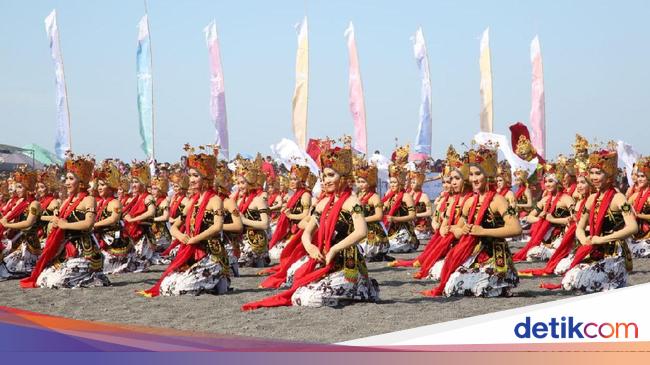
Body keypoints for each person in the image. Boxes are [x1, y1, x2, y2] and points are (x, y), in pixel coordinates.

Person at [242, 142, 379, 309]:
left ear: (343, 177)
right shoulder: (323, 204)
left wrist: (335, 249)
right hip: (324, 259)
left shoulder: (352, 202)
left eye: (330, 175)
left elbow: (361, 231)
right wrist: (310, 248)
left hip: (347, 264)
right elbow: (306, 232)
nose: (325, 180)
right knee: (297, 287)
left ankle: (360, 290)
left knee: (306, 298)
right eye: (323, 176)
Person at [422, 145, 522, 297]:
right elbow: (458, 231)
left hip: (495, 256)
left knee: (477, 289)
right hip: (475, 254)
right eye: (472, 174)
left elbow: (516, 229)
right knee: (451, 286)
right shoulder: (470, 203)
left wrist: (483, 231)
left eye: (478, 174)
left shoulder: (498, 200)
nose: (474, 179)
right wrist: (458, 230)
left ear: (488, 175)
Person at [139, 145, 230, 297]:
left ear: (206, 177)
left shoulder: (215, 200)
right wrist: (181, 237)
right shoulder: (192, 202)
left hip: (210, 253)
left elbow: (217, 226)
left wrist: (194, 239)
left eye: (195, 175)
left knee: (180, 288)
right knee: (167, 285)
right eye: (190, 175)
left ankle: (217, 280)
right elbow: (174, 226)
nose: (191, 180)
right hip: (191, 250)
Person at [544, 146, 637, 292]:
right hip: (594, 248)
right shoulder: (591, 199)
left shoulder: (619, 198)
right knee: (569, 280)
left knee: (586, 284)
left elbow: (633, 227)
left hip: (614, 251)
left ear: (609, 175)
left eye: (598, 173)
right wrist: (583, 240)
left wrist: (602, 239)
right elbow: (580, 227)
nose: (593, 177)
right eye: (592, 173)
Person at [20, 154, 110, 289]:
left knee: (57, 282)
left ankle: (92, 276)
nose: (67, 182)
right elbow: (58, 220)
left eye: (71, 179)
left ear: (80, 182)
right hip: (65, 247)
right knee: (43, 279)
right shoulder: (66, 201)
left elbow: (89, 224)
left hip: (82, 249)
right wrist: (55, 220)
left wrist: (65, 224)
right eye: (66, 178)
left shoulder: (89, 200)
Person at [512, 163, 574, 262]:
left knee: (534, 254)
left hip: (561, 236)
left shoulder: (566, 199)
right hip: (545, 237)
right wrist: (540, 218)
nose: (547, 184)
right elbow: (529, 217)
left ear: (558, 182)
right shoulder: (545, 199)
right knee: (531, 254)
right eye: (545, 182)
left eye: (550, 181)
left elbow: (575, 218)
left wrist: (553, 220)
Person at [0, 166, 41, 280]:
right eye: (16, 187)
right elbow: (8, 217)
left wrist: (7, 225)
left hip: (29, 244)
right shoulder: (21, 202)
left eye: (20, 187)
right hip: (17, 240)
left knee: (6, 267)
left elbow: (28, 223)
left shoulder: (34, 204)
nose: (16, 190)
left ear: (28, 188)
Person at [268, 165, 311, 261]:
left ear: (301, 180)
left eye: (295, 179)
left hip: (300, 230)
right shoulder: (294, 194)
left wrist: (290, 215)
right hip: (291, 229)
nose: (291, 181)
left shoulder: (305, 195)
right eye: (291, 179)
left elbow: (306, 214)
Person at [235, 154, 270, 267]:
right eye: (238, 183)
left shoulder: (259, 200)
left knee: (241, 263)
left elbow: (265, 224)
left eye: (242, 183)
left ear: (250, 182)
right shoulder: (239, 200)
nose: (240, 186)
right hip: (242, 239)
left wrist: (244, 220)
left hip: (256, 241)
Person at [122, 162, 157, 272]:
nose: (133, 185)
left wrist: (133, 219)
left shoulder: (148, 197)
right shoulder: (136, 198)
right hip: (133, 233)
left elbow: (151, 212)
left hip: (143, 235)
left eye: (136, 182)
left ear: (143, 183)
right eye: (132, 182)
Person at [384, 145, 418, 253]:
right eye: (391, 182)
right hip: (390, 229)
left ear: (400, 183)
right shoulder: (388, 193)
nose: (392, 184)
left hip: (404, 230)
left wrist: (395, 219)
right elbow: (384, 209)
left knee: (393, 247)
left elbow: (413, 216)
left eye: (394, 182)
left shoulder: (406, 196)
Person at [355, 163, 390, 262]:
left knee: (365, 250)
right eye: (359, 181)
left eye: (363, 182)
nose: (360, 184)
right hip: (359, 228)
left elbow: (379, 216)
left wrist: (362, 220)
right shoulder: (357, 195)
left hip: (372, 230)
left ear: (370, 182)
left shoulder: (375, 197)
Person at [626, 156, 650, 257]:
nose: (639, 179)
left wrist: (638, 215)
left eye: (642, 176)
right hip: (636, 235)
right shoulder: (635, 195)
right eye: (638, 176)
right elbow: (625, 206)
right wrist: (626, 212)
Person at [410, 167, 433, 241]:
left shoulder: (424, 196)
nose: (411, 185)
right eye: (411, 182)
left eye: (414, 183)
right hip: (413, 223)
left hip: (423, 225)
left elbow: (430, 212)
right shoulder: (410, 194)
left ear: (419, 183)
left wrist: (415, 215)